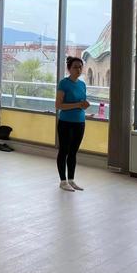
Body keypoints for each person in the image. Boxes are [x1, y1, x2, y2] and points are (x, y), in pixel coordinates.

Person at [55, 57, 89, 192]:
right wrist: (77, 105)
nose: (78, 69)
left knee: (73, 152)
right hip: (66, 122)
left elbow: (82, 103)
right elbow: (58, 105)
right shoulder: (64, 83)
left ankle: (71, 179)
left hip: (80, 122)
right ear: (69, 68)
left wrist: (84, 105)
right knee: (64, 151)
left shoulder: (82, 84)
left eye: (80, 67)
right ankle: (63, 181)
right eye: (75, 67)